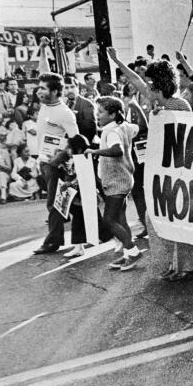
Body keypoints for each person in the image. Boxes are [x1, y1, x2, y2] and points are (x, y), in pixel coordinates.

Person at [107, 47, 193, 281]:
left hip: (180, 167)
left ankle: (185, 266)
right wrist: (117, 60)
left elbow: (189, 137)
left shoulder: (180, 106)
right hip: (162, 168)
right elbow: (135, 80)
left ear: (159, 85)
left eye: (150, 84)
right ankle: (173, 263)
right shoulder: (157, 102)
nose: (146, 87)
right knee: (164, 218)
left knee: (180, 218)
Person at [84, 96, 142, 271]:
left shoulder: (111, 131)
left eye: (100, 112)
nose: (97, 116)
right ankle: (127, 255)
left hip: (116, 181)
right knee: (120, 218)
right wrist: (137, 109)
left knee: (108, 220)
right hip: (124, 179)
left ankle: (133, 251)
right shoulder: (123, 126)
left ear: (113, 113)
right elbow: (140, 127)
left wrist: (95, 150)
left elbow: (117, 150)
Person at [33, 73, 80, 254]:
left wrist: (57, 159)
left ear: (54, 91)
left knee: (54, 202)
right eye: (39, 87)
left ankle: (52, 242)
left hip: (56, 164)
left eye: (43, 88)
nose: (39, 91)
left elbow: (75, 140)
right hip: (45, 161)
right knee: (59, 203)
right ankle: (103, 230)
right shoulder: (46, 106)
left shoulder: (64, 113)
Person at [122, 84, 149, 239]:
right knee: (137, 190)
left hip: (144, 148)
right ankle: (145, 223)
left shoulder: (144, 98)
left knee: (146, 188)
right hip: (133, 150)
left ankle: (152, 224)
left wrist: (137, 108)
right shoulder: (125, 101)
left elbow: (144, 126)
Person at [63, 76, 97, 142]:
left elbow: (90, 130)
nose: (70, 90)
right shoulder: (63, 103)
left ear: (77, 88)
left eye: (72, 87)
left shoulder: (87, 104)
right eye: (66, 88)